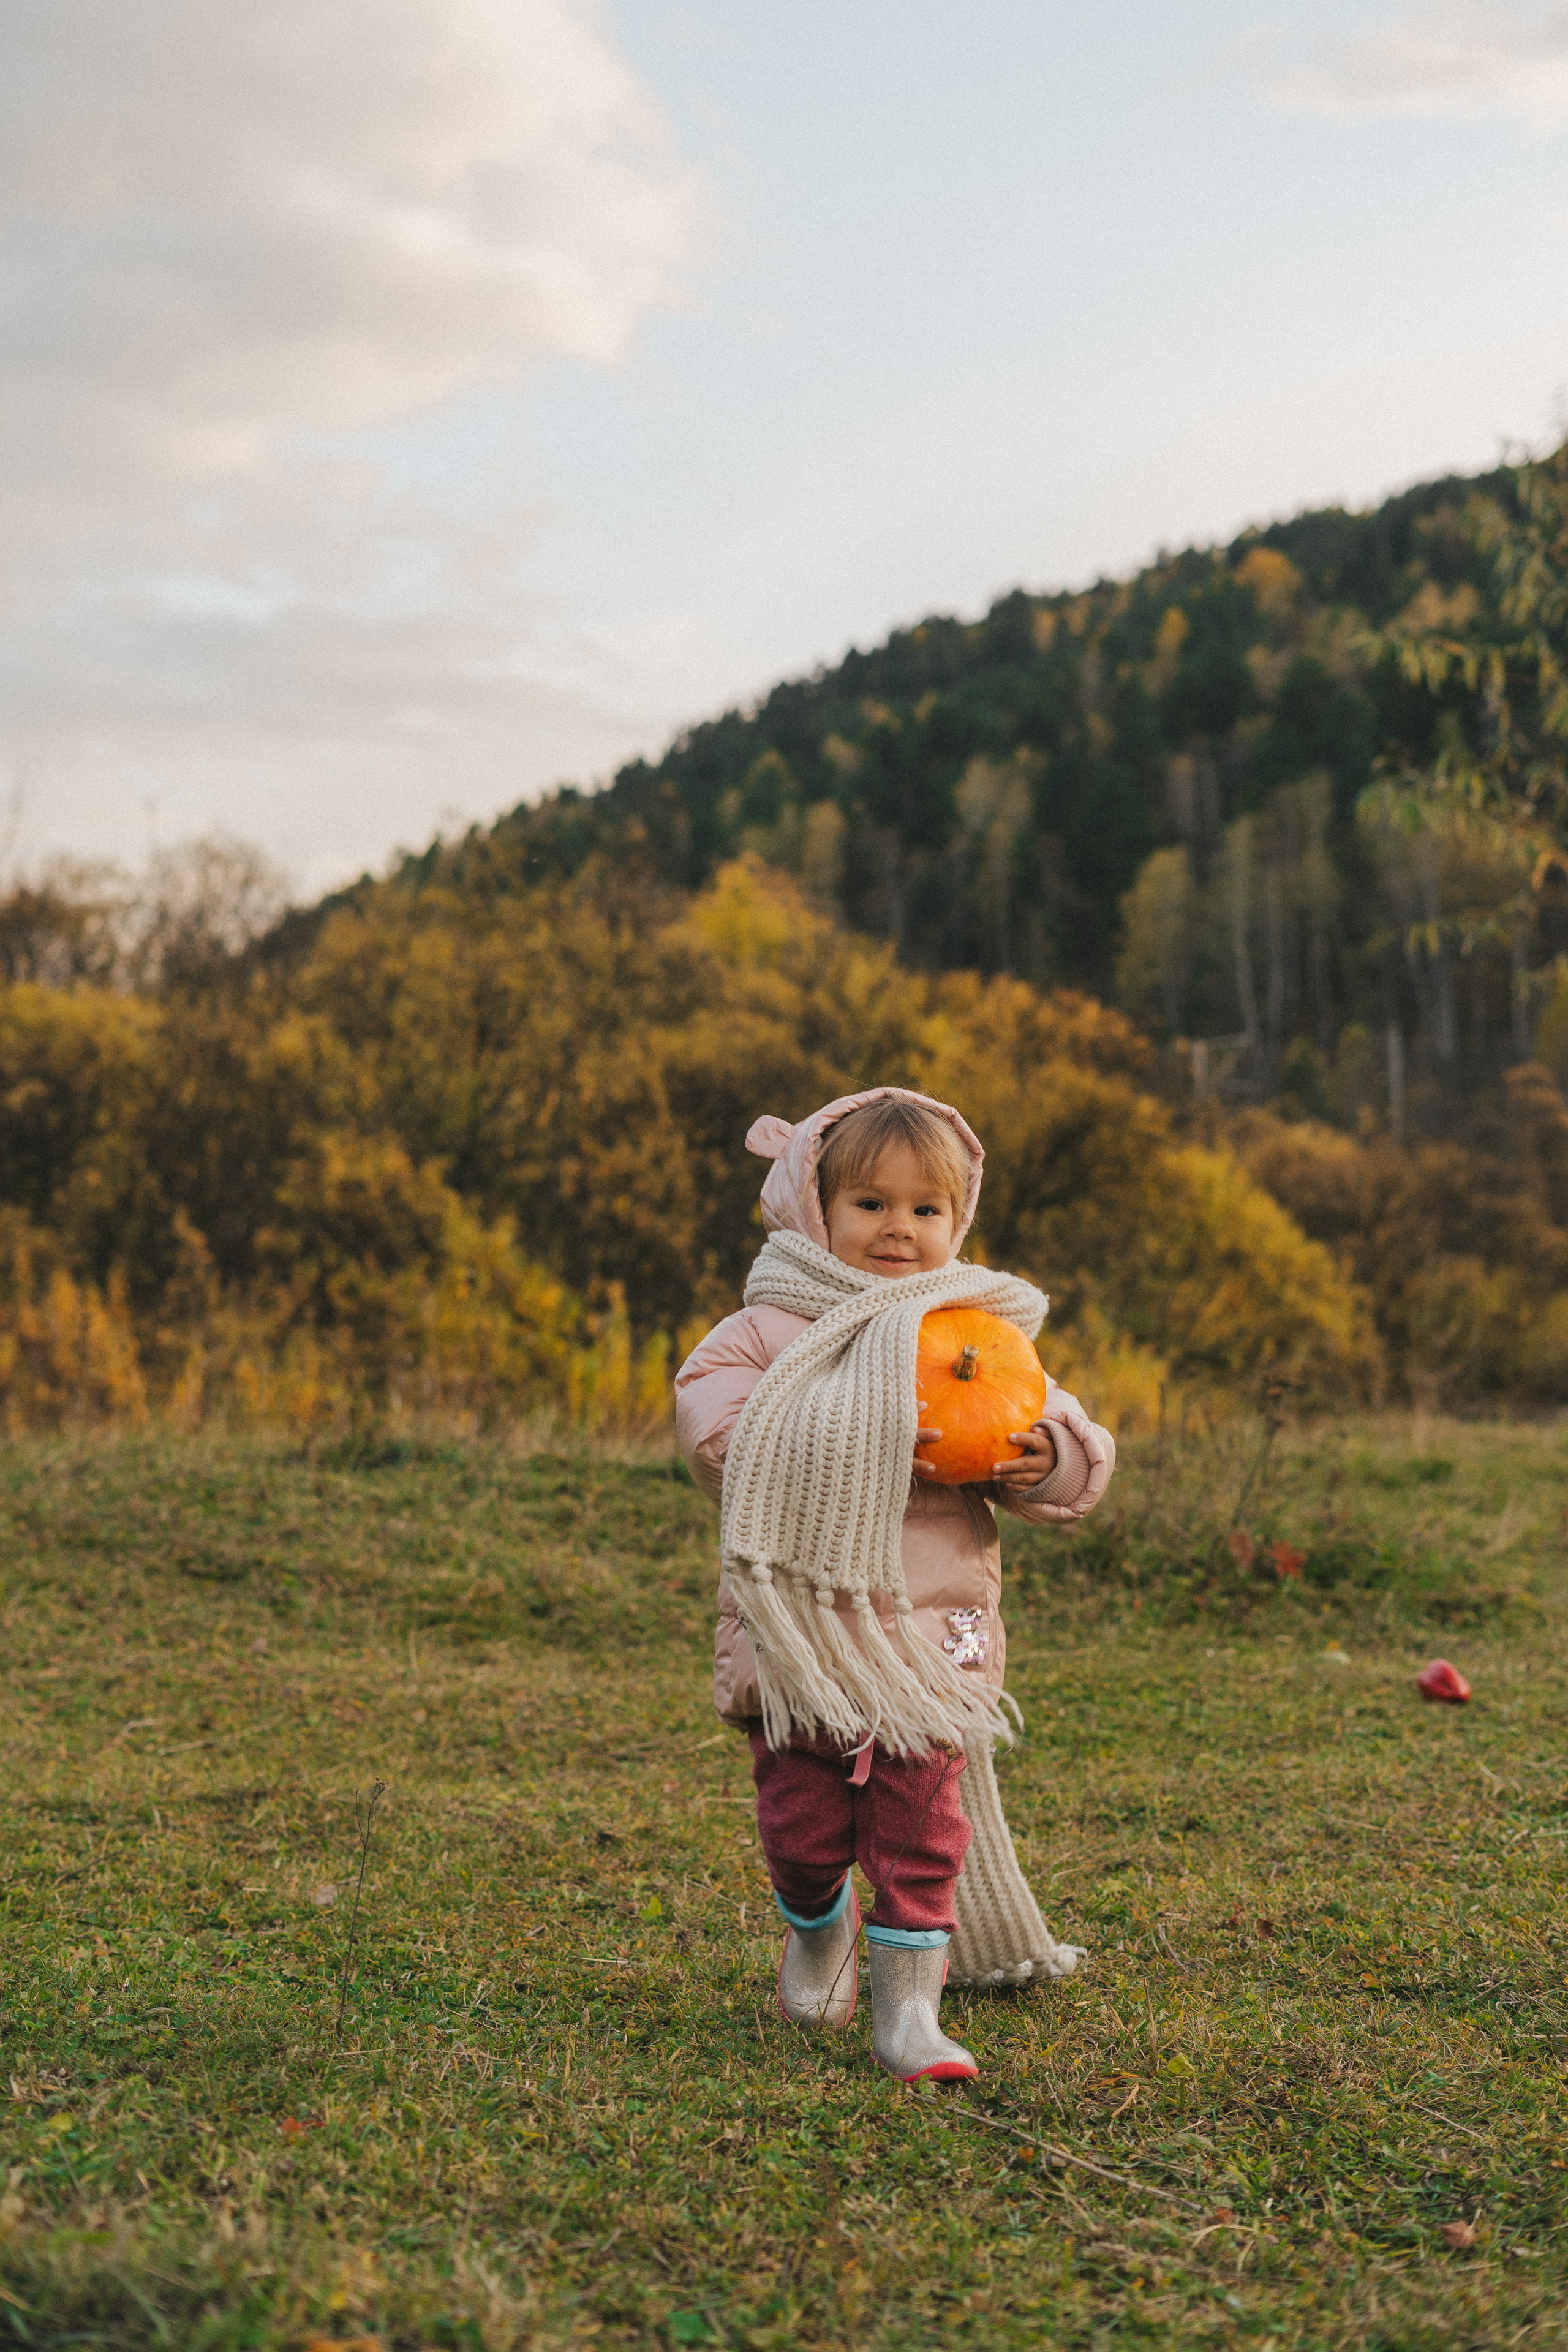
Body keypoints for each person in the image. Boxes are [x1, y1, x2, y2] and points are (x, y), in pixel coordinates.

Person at [675, 1088, 1115, 2085]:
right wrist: (860, 1435)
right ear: (812, 1209)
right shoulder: (765, 1328)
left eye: (925, 1210)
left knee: (923, 1827)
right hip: (802, 1645)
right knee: (803, 1826)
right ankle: (819, 1930)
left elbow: (1077, 1453)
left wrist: (1045, 1457)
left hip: (929, 1641)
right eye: (871, 1203)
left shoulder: (974, 1333)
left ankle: (909, 2013)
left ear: (955, 1222)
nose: (898, 1230)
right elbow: (712, 1438)